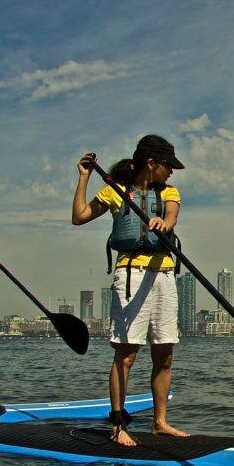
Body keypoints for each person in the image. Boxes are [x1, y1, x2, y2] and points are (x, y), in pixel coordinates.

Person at [71, 134, 187, 446]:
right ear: (151, 164)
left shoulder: (169, 192)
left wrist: (164, 220)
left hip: (163, 275)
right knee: (126, 354)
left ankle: (160, 422)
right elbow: (79, 217)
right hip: (131, 273)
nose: (171, 171)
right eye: (167, 165)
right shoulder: (115, 191)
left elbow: (172, 214)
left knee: (164, 353)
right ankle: (119, 424)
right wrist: (83, 178)